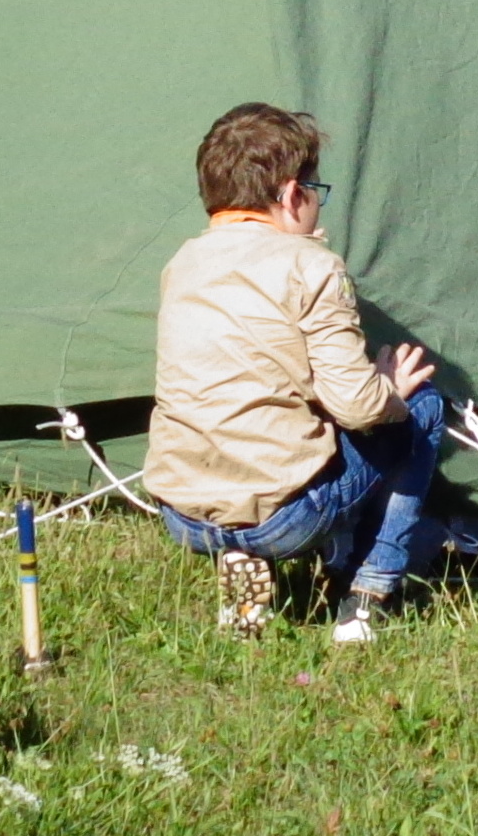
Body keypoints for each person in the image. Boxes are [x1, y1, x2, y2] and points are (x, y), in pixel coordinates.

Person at [145, 102, 447, 645]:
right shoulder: (312, 266)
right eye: (315, 189)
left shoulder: (183, 261)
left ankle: (240, 556)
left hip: (184, 516)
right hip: (283, 518)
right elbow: (355, 406)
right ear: (290, 195)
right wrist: (391, 391)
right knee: (422, 406)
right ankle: (366, 596)